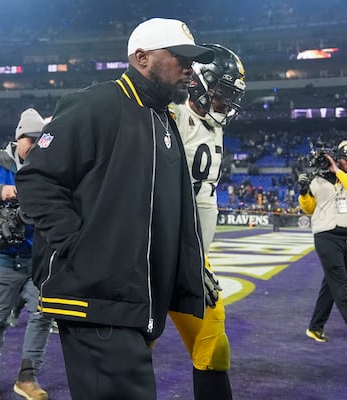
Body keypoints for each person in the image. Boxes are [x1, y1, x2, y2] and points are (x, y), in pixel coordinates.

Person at [15, 18, 216, 400]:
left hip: (133, 302)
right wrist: (82, 248)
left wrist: (189, 267)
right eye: (180, 58)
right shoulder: (97, 104)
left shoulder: (161, 118)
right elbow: (36, 180)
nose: (191, 69)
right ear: (141, 58)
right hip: (97, 300)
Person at [168, 43, 245, 400]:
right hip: (151, 251)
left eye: (230, 97)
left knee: (214, 346)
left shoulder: (214, 126)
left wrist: (196, 258)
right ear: (198, 84)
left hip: (193, 256)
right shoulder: (167, 116)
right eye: (220, 95)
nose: (226, 105)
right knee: (132, 351)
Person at [0, 108, 52, 400]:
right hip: (2, 258)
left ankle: (27, 378)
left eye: (40, 140)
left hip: (36, 258)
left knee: (42, 315)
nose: (36, 145)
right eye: (31, 139)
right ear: (18, 138)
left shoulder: (47, 168)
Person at [298, 140, 347, 352]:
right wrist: (304, 192)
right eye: (342, 157)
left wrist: (337, 171)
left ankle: (315, 327)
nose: (346, 161)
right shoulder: (318, 179)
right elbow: (309, 208)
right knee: (341, 286)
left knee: (331, 284)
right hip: (326, 237)